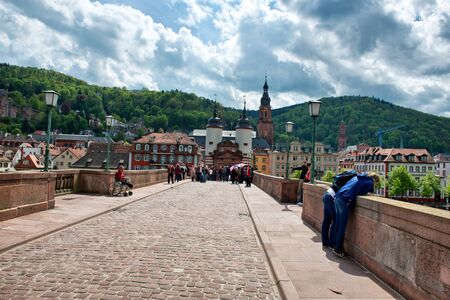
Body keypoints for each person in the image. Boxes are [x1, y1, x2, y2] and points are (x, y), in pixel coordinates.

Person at [332, 172, 380, 257]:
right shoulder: (369, 182)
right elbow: (363, 192)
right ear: (375, 181)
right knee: (342, 227)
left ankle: (334, 245)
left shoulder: (357, 177)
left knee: (338, 224)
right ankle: (338, 249)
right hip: (345, 200)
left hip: (338, 197)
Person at [321, 170, 357, 249]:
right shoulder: (352, 180)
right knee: (336, 220)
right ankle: (332, 243)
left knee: (326, 220)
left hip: (327, 194)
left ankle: (325, 242)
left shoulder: (344, 177)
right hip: (331, 197)